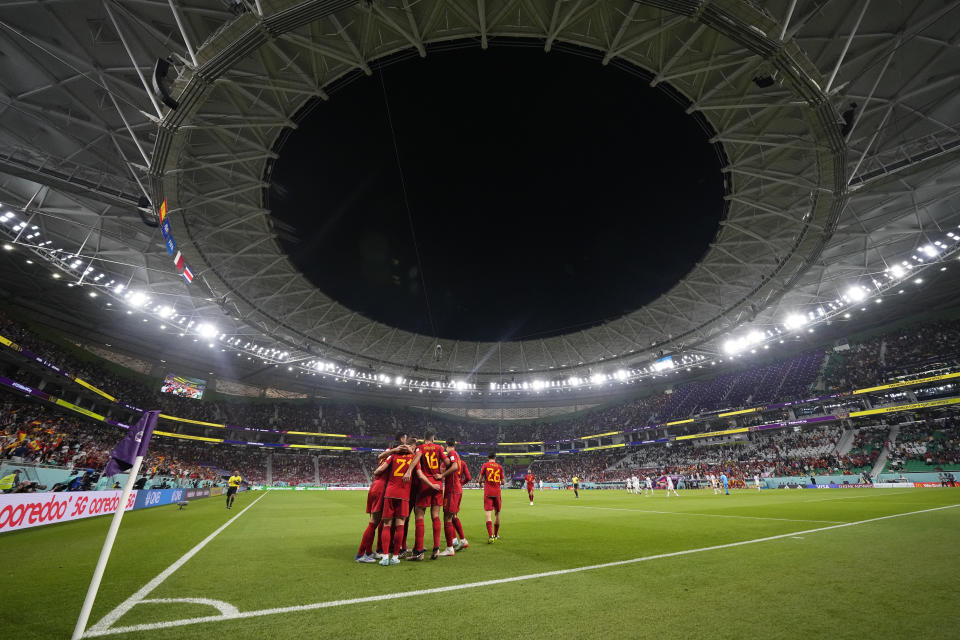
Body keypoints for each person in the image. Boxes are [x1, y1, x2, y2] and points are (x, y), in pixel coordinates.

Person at [356, 437, 410, 563]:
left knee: (375, 522)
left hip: (375, 487)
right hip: (382, 488)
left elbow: (379, 462)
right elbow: (378, 471)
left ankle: (369, 551)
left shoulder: (387, 454)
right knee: (374, 523)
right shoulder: (394, 457)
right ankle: (360, 554)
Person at [407, 432, 449, 560]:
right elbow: (448, 462)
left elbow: (416, 460)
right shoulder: (439, 448)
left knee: (419, 516)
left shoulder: (420, 448)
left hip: (425, 484)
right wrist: (442, 475)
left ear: (424, 438)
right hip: (437, 484)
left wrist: (409, 470)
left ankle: (419, 551)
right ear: (433, 438)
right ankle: (436, 549)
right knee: (435, 516)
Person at [375, 442, 418, 566]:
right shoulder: (412, 458)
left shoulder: (393, 457)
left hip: (389, 493)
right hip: (404, 495)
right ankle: (395, 556)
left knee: (387, 524)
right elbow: (417, 457)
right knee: (400, 525)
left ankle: (384, 556)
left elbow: (379, 470)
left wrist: (394, 451)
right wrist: (411, 451)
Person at [437, 439, 463, 557]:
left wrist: (442, 475)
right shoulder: (456, 454)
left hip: (452, 490)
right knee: (452, 516)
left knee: (447, 517)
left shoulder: (451, 453)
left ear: (447, 446)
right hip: (456, 489)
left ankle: (449, 548)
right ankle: (461, 540)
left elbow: (454, 467)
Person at [479, 453, 505, 543]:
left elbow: (480, 479)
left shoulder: (485, 465)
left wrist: (481, 483)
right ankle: (496, 534)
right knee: (497, 514)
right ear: (495, 458)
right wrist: (497, 482)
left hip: (488, 493)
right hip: (497, 493)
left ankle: (491, 536)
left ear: (488, 458)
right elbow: (503, 482)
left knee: (488, 514)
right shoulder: (499, 467)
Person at [452, 455, 471, 550]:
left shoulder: (449, 461)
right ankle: (454, 539)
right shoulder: (463, 463)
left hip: (452, 489)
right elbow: (468, 477)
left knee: (450, 515)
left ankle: (461, 539)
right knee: (453, 514)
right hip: (459, 490)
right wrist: (461, 483)